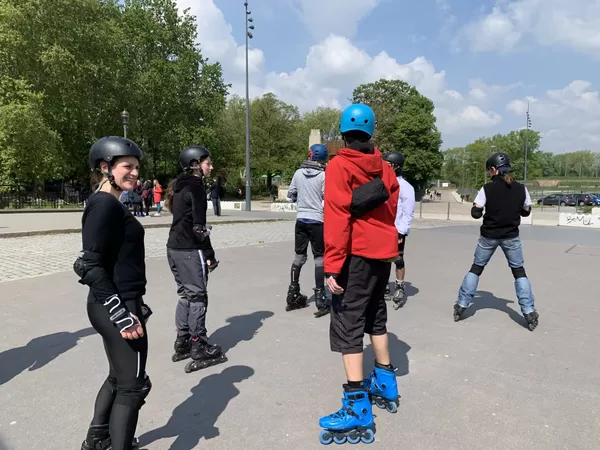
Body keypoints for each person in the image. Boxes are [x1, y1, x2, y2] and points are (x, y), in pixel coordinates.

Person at [318, 104, 401, 445]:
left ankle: (356, 406)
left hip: (355, 255)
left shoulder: (340, 165)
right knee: (375, 316)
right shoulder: (384, 167)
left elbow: (337, 217)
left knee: (347, 321)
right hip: (383, 254)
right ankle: (385, 381)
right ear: (371, 133)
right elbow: (392, 209)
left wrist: (332, 264)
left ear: (343, 133)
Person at [75, 136, 152, 450]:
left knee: (118, 378)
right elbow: (88, 265)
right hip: (117, 304)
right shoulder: (104, 203)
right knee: (132, 387)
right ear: (105, 167)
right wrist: (122, 314)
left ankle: (97, 438)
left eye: (136, 167)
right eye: (126, 167)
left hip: (120, 301)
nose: (134, 173)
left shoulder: (108, 201)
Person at [453, 152, 539, 331]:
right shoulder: (521, 188)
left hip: (488, 237)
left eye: (489, 170)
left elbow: (476, 212)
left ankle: (461, 305)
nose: (488, 174)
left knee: (476, 268)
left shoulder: (487, 189)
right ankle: (529, 311)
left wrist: (482, 211)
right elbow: (526, 211)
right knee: (519, 272)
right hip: (511, 237)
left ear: (494, 169)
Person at [164, 146, 227, 373]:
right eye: (207, 163)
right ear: (194, 164)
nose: (211, 166)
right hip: (190, 249)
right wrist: (209, 255)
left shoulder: (179, 186)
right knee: (198, 296)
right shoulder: (196, 188)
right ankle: (198, 345)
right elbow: (199, 229)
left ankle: (182, 341)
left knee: (185, 295)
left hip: (174, 247)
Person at [285, 143, 330, 318]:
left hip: (301, 220)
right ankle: (320, 297)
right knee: (319, 258)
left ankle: (293, 292)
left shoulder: (298, 173)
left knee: (299, 256)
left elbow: (291, 196)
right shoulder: (324, 176)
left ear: (310, 155)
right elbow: (326, 199)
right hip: (317, 220)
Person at [382, 152, 415, 309]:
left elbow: (408, 214)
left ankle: (400, 286)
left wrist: (401, 232)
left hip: (396, 229)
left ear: (396, 166)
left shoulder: (406, 188)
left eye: (388, 164)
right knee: (381, 259)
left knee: (398, 259)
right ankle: (384, 285)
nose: (385, 166)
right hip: (381, 228)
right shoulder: (381, 182)